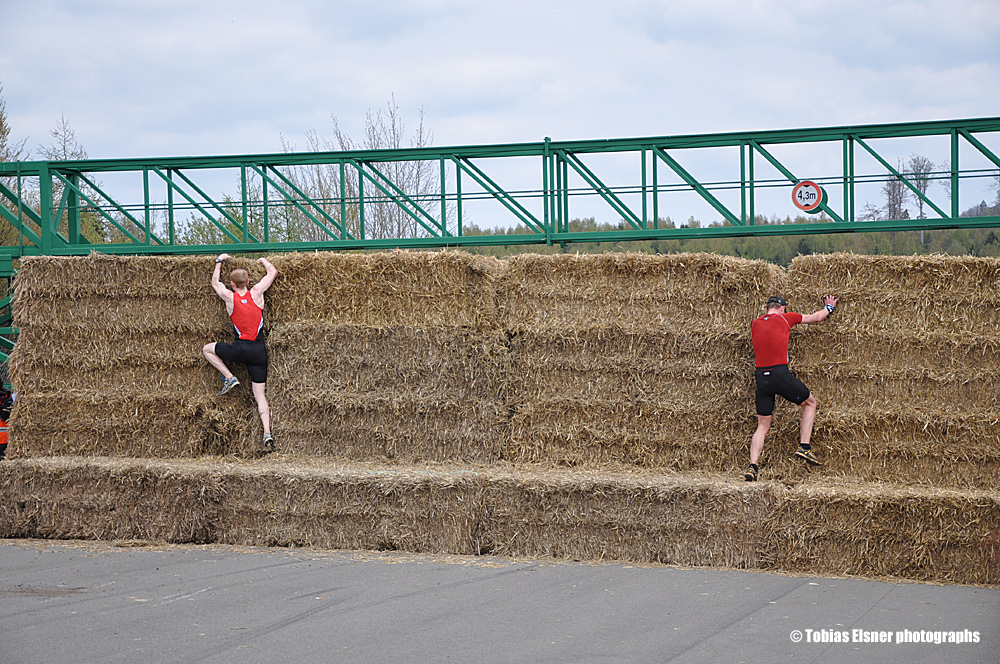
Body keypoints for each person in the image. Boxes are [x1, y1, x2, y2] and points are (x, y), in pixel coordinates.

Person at [745, 294, 838, 481]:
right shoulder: (786, 318)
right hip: (780, 374)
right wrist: (829, 307)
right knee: (810, 403)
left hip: (761, 378)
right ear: (782, 308)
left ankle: (752, 467)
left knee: (763, 425)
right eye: (784, 309)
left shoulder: (755, 323)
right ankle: (804, 447)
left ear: (767, 308)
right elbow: (816, 317)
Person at [203, 253, 279, 453]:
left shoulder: (229, 296)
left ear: (232, 284)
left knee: (207, 349)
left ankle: (229, 377)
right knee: (260, 396)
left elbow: (215, 283)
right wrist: (263, 261)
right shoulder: (257, 292)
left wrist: (218, 261)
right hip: (259, 353)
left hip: (239, 349)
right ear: (248, 281)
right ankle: (267, 432)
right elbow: (273, 272)